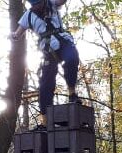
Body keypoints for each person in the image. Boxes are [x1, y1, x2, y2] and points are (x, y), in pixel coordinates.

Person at [11, 0, 80, 130]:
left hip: (63, 42)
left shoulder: (50, 3)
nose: (39, 5)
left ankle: (72, 94)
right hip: (48, 50)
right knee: (45, 86)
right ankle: (45, 122)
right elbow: (18, 32)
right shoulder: (28, 15)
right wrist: (14, 35)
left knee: (72, 59)